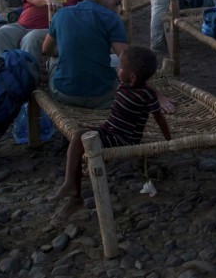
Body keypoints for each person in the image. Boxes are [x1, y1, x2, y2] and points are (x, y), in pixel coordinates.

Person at [48, 45, 172, 224]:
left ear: (132, 77)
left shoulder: (147, 95)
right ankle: (73, 192)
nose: (117, 69)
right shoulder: (124, 84)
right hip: (110, 129)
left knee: (79, 138)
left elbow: (159, 118)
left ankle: (72, 190)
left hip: (124, 138)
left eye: (120, 68)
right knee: (79, 135)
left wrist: (168, 141)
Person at [42, 0, 128, 109]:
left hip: (64, 94)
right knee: (116, 60)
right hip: (101, 97)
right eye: (117, 3)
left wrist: (66, 51)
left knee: (53, 61)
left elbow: (46, 50)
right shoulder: (111, 18)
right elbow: (128, 60)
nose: (117, 8)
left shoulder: (61, 14)